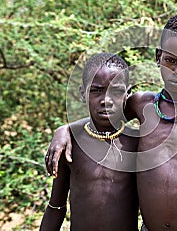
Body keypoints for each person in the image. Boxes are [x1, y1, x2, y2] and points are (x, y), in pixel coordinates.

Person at [46, 13, 177, 230]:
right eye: (170, 60)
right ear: (158, 57)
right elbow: (103, 117)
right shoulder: (140, 104)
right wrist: (64, 130)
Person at [40, 53, 139, 230]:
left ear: (127, 94)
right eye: (96, 91)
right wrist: (65, 129)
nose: (106, 100)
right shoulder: (71, 144)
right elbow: (56, 206)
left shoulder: (137, 144)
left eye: (116, 91)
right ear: (82, 93)